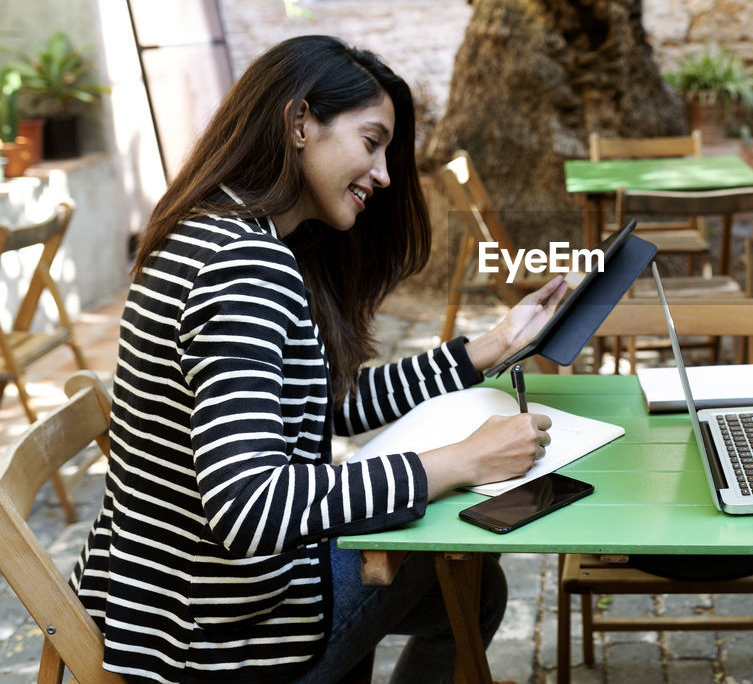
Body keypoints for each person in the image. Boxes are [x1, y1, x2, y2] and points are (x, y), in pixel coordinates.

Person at [72, 35, 569, 683]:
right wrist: (462, 460)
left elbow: (328, 403)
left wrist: (490, 346)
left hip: (168, 609)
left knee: (466, 577)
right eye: (371, 142)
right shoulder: (244, 265)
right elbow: (250, 504)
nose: (385, 173)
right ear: (300, 121)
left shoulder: (216, 230)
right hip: (215, 644)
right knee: (471, 584)